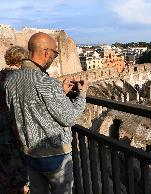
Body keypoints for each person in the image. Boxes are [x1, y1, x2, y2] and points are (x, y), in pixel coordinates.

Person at [5, 32, 88, 194]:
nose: (54, 58)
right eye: (55, 54)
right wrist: (82, 95)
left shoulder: (11, 80)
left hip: (29, 154)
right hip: (55, 155)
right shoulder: (46, 81)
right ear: (46, 52)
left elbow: (30, 105)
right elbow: (69, 117)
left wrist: (60, 92)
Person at [0, 46, 30, 194]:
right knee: (19, 168)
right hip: (14, 130)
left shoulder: (1, 76)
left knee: (5, 167)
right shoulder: (18, 79)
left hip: (2, 130)